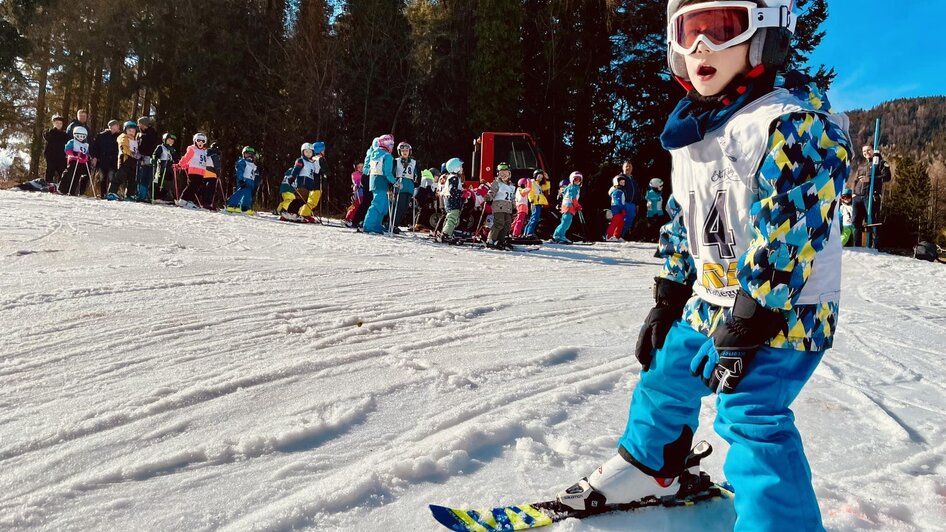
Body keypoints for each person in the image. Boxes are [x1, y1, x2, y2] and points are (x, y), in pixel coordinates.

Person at [556, 3, 851, 532]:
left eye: (721, 29)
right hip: (713, 301)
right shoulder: (693, 135)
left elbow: (792, 227)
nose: (700, 49)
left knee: (749, 415)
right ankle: (653, 464)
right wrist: (670, 294)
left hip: (784, 311)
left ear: (766, 35)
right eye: (689, 32)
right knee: (666, 375)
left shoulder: (792, 124)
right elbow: (683, 218)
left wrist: (756, 312)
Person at [850, 144, 892, 246]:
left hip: (871, 196)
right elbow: (855, 181)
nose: (866, 153)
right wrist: (853, 194)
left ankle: (874, 246)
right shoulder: (862, 166)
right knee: (856, 222)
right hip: (858, 197)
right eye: (864, 151)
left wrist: (871, 179)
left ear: (873, 150)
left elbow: (887, 177)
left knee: (873, 221)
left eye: (868, 150)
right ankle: (857, 246)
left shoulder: (881, 163)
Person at [277, 142, 321, 222]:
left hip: (309, 186)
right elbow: (296, 169)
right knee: (299, 199)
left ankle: (296, 213)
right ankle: (290, 212)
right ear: (302, 152)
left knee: (303, 201)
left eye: (310, 152)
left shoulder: (312, 163)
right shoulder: (301, 160)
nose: (308, 154)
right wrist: (293, 177)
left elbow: (316, 172)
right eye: (306, 152)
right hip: (302, 184)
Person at [363, 135, 396, 234]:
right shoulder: (387, 156)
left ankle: (377, 225)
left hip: (374, 181)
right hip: (381, 182)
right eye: (390, 145)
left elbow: (367, 167)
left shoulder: (374, 153)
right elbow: (387, 172)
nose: (392, 147)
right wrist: (395, 182)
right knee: (378, 204)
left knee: (383, 205)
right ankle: (368, 225)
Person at [176, 133, 211, 208]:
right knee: (191, 186)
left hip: (201, 172)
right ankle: (183, 200)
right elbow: (186, 158)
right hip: (194, 171)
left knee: (196, 187)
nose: (200, 143)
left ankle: (189, 200)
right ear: (195, 141)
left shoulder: (204, 151)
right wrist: (180, 165)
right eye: (198, 140)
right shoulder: (192, 150)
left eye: (203, 141)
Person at [107, 121, 140, 200]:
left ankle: (130, 194)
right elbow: (123, 146)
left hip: (133, 161)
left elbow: (136, 149)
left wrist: (138, 155)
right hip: (125, 159)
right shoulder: (123, 136)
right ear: (125, 130)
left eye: (133, 130)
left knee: (132, 178)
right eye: (129, 130)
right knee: (120, 176)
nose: (131, 132)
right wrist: (130, 153)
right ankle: (112, 192)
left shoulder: (135, 139)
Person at [486, 162, 516, 248]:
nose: (503, 175)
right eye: (501, 173)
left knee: (507, 225)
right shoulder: (497, 183)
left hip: (508, 207)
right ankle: (491, 239)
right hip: (498, 206)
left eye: (506, 173)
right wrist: (488, 197)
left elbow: (512, 197)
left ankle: (500, 239)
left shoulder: (512, 186)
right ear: (498, 174)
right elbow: (492, 192)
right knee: (499, 223)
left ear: (509, 174)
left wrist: (514, 207)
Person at [437, 158, 465, 242]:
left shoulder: (453, 177)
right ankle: (446, 234)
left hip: (450, 200)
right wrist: (462, 194)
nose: (462, 168)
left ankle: (446, 232)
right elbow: (453, 190)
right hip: (452, 201)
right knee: (452, 218)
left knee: (451, 218)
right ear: (455, 168)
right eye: (460, 167)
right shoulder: (454, 178)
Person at [90, 120, 121, 199]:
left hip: (113, 161)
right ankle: (102, 193)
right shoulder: (101, 136)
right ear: (112, 126)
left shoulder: (120, 136)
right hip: (102, 160)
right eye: (116, 125)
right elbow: (95, 147)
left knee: (112, 178)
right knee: (102, 178)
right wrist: (94, 157)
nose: (118, 127)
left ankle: (112, 193)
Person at [391, 141, 417, 232]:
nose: (405, 152)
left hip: (409, 186)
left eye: (406, 150)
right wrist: (392, 183)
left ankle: (396, 224)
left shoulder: (413, 162)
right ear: (400, 152)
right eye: (403, 151)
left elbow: (417, 174)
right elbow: (392, 173)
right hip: (400, 185)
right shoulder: (396, 161)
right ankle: (392, 224)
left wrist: (416, 184)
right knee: (399, 206)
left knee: (405, 207)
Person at [226, 146, 259, 214]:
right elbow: (240, 171)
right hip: (244, 180)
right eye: (247, 154)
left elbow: (255, 174)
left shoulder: (254, 165)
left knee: (248, 196)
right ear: (243, 154)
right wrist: (241, 180)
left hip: (251, 182)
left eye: (251, 155)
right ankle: (231, 204)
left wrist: (256, 182)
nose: (249, 156)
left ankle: (245, 207)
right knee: (240, 193)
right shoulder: (242, 162)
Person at [59, 126, 91, 195]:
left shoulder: (85, 145)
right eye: (79, 136)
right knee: (69, 173)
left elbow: (87, 154)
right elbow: (67, 150)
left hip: (81, 163)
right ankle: (62, 188)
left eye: (83, 136)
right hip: (73, 161)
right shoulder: (72, 142)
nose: (80, 138)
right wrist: (74, 153)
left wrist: (85, 156)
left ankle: (72, 191)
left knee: (77, 176)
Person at [552, 172, 583, 243]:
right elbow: (573, 198)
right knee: (566, 222)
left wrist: (577, 205)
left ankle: (560, 235)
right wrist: (577, 206)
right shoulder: (572, 187)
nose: (577, 181)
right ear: (572, 180)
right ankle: (558, 235)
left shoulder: (575, 187)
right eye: (575, 179)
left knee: (567, 222)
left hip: (570, 207)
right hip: (568, 206)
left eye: (579, 179)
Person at [135, 117, 160, 201]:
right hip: (140, 157)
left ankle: (143, 195)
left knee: (145, 176)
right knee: (140, 175)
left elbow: (152, 146)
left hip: (148, 157)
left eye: (140, 124)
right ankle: (139, 193)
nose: (139, 125)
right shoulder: (140, 134)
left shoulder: (151, 133)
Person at [152, 133, 179, 202]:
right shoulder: (161, 147)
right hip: (163, 165)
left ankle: (167, 197)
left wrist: (177, 163)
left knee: (169, 182)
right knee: (161, 182)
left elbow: (176, 158)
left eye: (172, 141)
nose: (171, 142)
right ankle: (158, 196)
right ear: (165, 140)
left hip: (170, 167)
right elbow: (155, 154)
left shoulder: (173, 149)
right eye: (169, 140)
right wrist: (154, 159)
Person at [43, 116, 69, 187]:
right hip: (51, 156)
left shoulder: (65, 135)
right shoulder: (50, 133)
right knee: (50, 171)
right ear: (53, 123)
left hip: (61, 157)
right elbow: (46, 137)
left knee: (62, 172)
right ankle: (47, 186)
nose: (59, 125)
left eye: (60, 123)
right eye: (57, 123)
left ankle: (60, 188)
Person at [524, 169, 549, 237]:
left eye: (541, 177)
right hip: (535, 202)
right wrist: (531, 200)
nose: (540, 178)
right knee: (534, 218)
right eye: (539, 176)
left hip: (538, 203)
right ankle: (529, 233)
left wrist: (547, 179)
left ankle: (527, 233)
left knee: (534, 218)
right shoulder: (532, 182)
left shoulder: (538, 184)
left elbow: (546, 187)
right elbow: (530, 192)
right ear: (535, 176)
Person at [620, 160, 639, 240]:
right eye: (626, 166)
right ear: (623, 168)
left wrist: (637, 204)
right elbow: (618, 191)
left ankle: (622, 236)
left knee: (629, 221)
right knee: (621, 220)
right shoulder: (620, 178)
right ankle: (615, 236)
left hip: (632, 205)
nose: (628, 168)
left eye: (630, 166)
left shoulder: (633, 180)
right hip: (624, 203)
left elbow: (637, 193)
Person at [605, 175, 627, 241]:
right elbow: (617, 201)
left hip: (620, 209)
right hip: (617, 209)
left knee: (621, 223)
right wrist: (621, 209)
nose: (623, 184)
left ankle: (617, 236)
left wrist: (623, 208)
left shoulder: (621, 190)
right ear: (616, 183)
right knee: (615, 223)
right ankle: (609, 236)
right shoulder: (617, 191)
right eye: (621, 182)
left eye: (624, 182)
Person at [644, 178, 666, 242]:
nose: (662, 187)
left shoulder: (659, 193)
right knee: (652, 226)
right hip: (653, 214)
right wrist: (655, 213)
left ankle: (657, 237)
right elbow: (651, 204)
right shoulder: (651, 194)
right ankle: (649, 238)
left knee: (658, 226)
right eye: (660, 186)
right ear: (655, 187)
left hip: (659, 213)